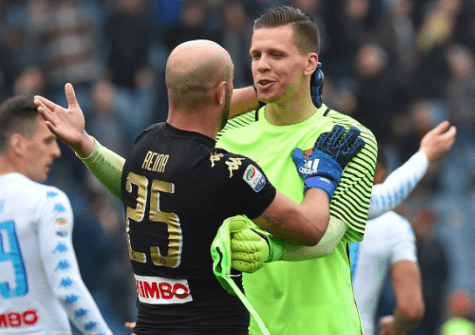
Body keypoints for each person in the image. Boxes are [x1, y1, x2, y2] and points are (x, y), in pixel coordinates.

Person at [34, 39, 365, 334]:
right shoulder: (227, 171)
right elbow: (310, 229)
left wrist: (271, 91)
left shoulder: (144, 145)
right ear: (222, 92)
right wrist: (322, 176)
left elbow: (200, 106)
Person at [0, 96, 112, 334]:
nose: (56, 152)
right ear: (18, 144)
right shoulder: (47, 201)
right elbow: (67, 289)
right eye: (48, 140)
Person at [350, 148, 425, 335]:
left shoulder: (309, 209)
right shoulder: (395, 226)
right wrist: (396, 328)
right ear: (380, 176)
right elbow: (411, 309)